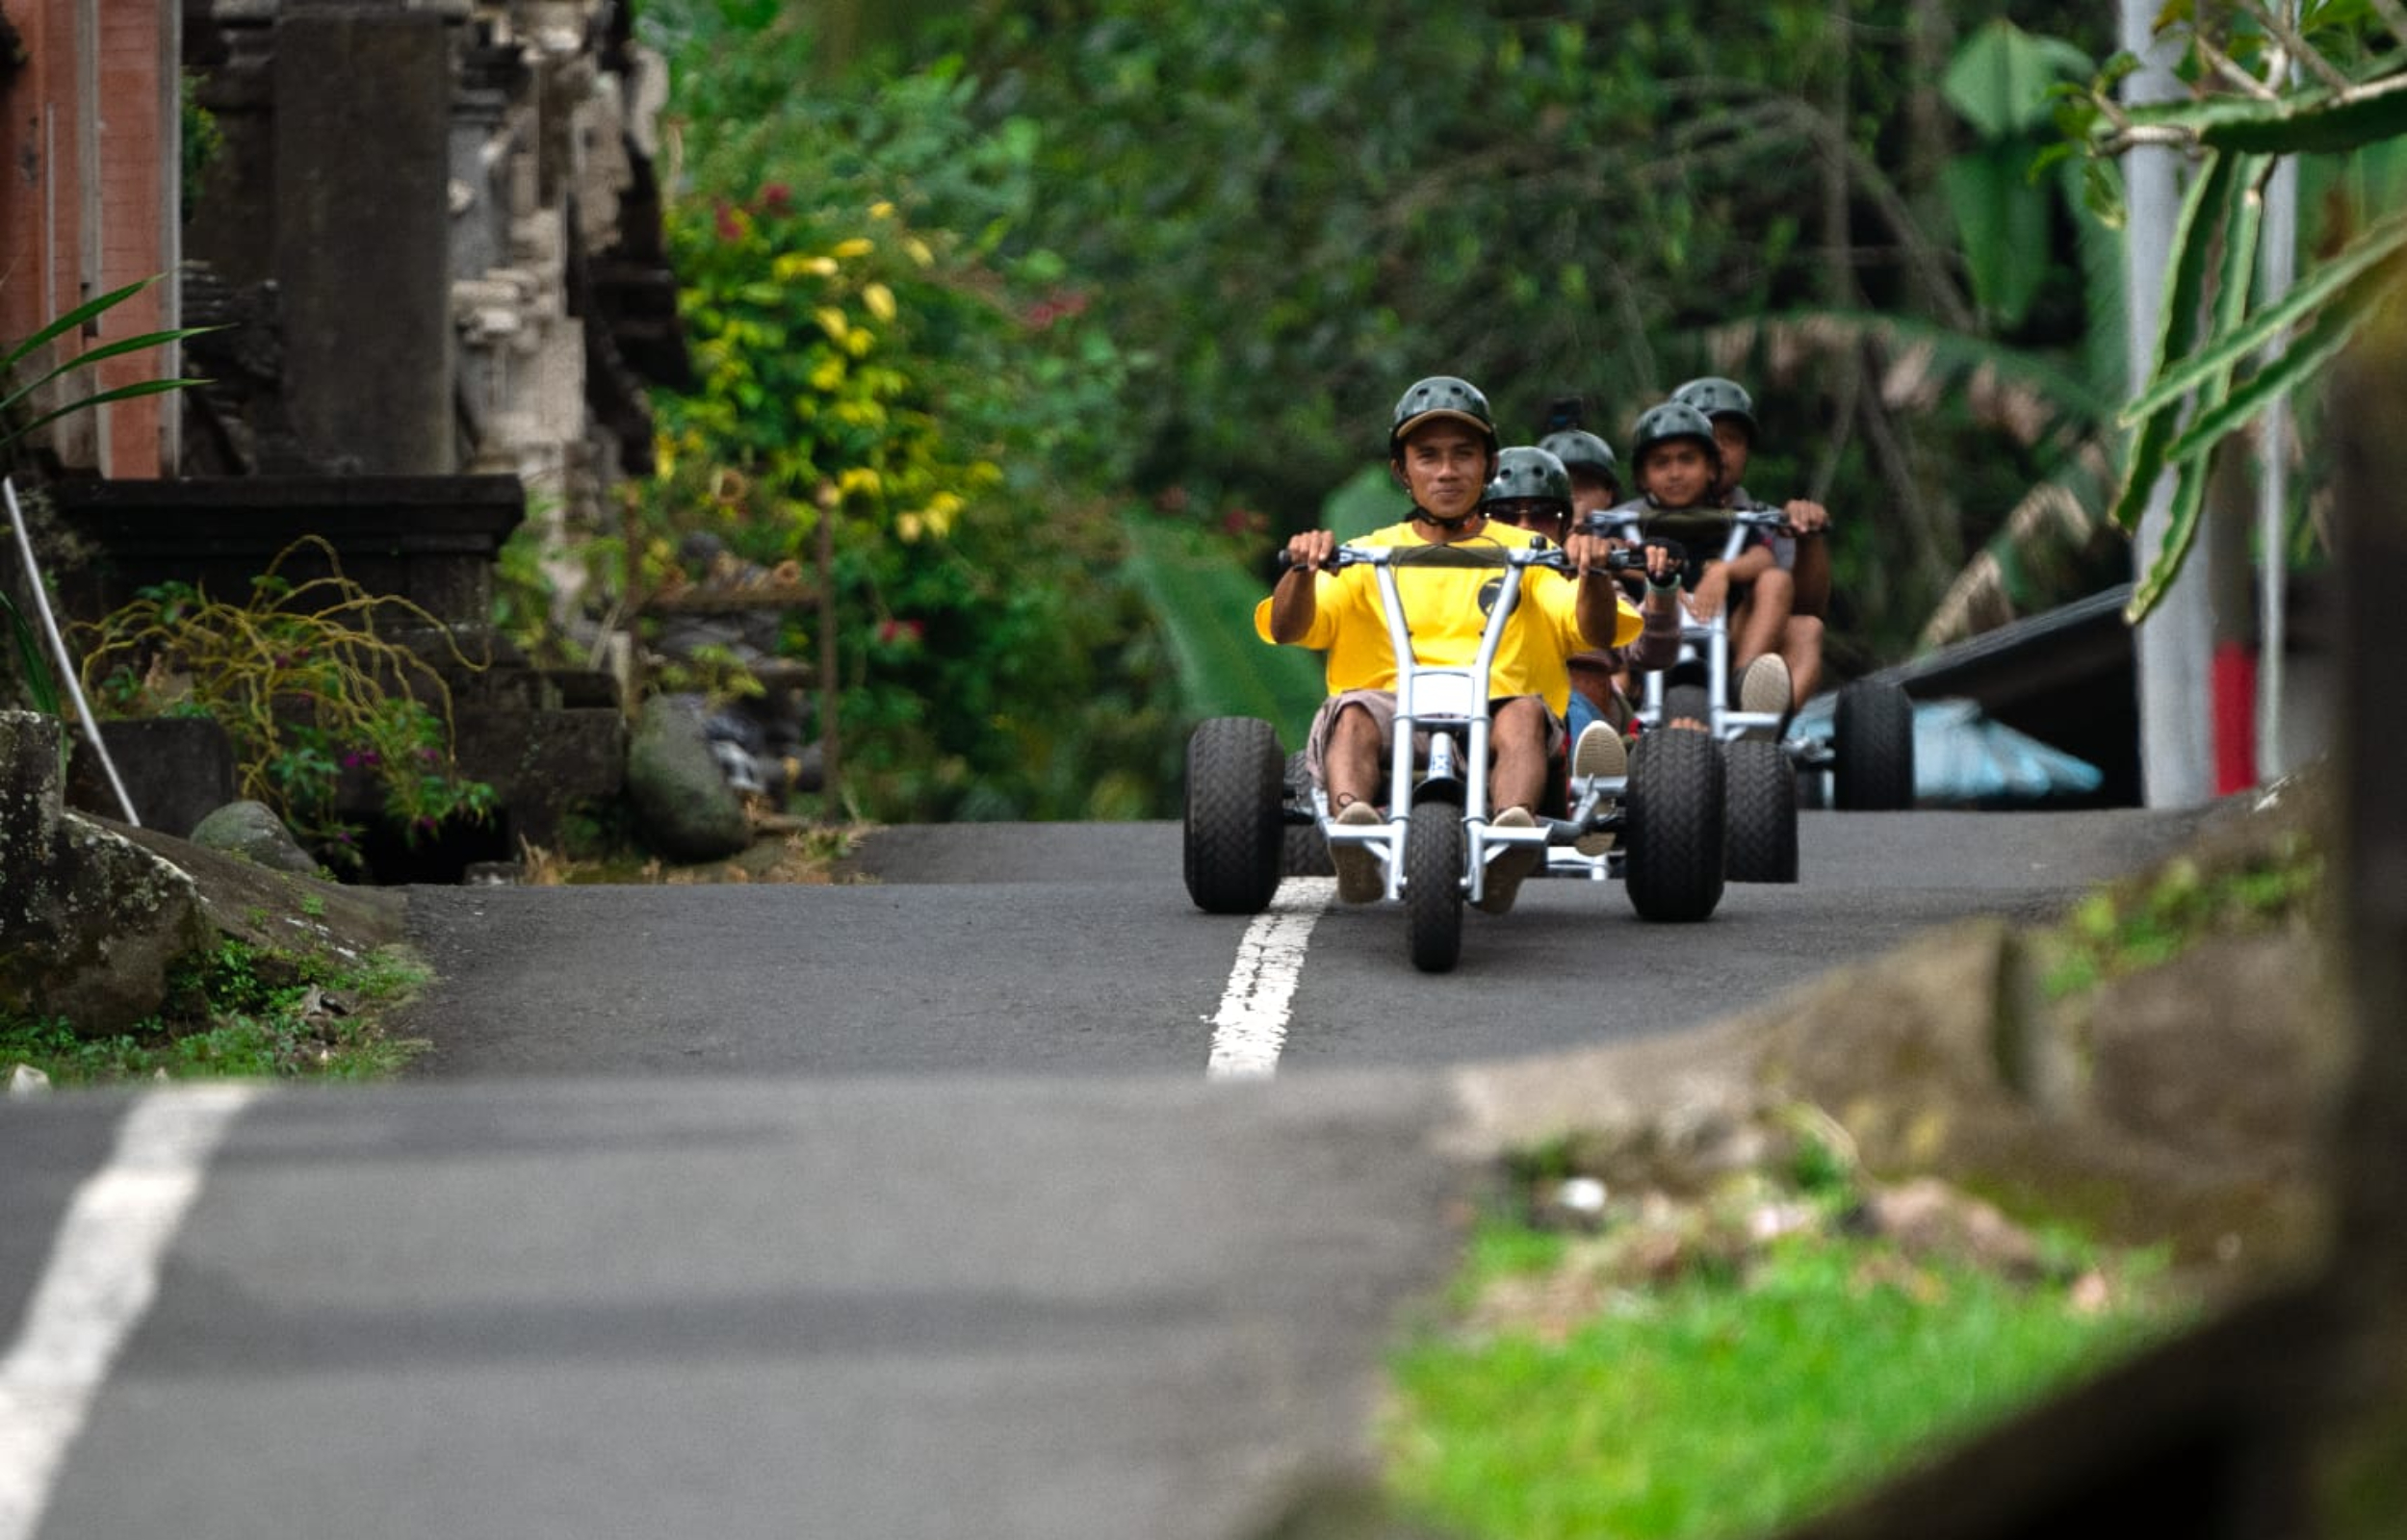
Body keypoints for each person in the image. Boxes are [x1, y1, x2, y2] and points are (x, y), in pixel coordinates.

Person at [1256, 377, 1638, 911]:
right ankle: (1354, 831)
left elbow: (1594, 632)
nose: (1447, 471)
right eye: (1428, 456)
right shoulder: (1367, 554)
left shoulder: (1530, 553)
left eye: (1463, 455)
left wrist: (1593, 573)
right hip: (1391, 712)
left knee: (1525, 713)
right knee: (1352, 715)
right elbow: (1288, 629)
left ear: (1487, 464)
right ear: (1401, 470)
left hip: (1499, 712)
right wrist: (1301, 569)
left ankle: (1511, 835)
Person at [1481, 443, 1686, 852]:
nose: (1524, 527)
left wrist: (1661, 590)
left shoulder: (1589, 584)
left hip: (1576, 720)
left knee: (1563, 693)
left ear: (1563, 524)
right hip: (1483, 728)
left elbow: (1653, 653)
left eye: (1539, 514)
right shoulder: (1455, 589)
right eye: (1506, 515)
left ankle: (1591, 785)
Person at [1618, 399, 1792, 722]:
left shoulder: (1733, 519)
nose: (1675, 473)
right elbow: (1607, 550)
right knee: (1600, 585)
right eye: (1661, 463)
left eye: (1688, 460)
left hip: (1724, 639)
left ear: (1712, 468)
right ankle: (1620, 693)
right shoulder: (1630, 520)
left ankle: (1745, 684)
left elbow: (1763, 556)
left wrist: (1725, 571)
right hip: (1649, 640)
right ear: (1642, 477)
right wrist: (1658, 581)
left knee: (1777, 580)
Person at [1671, 375, 1830, 709]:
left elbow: (1806, 608)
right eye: (1708, 438)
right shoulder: (1632, 517)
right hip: (1657, 641)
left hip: (1737, 639)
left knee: (1807, 629)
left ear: (1747, 452)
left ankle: (1756, 720)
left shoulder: (1763, 520)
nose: (1719, 450)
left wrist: (1807, 538)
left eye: (1732, 439)